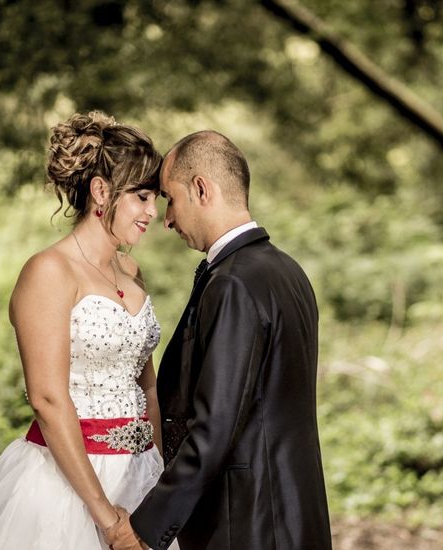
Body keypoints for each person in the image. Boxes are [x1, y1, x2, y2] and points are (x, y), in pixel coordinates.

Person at [0, 111, 170, 549]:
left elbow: (146, 383)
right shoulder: (48, 271)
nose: (152, 211)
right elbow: (48, 399)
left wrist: (159, 471)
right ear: (101, 191)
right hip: (69, 483)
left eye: (156, 198)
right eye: (142, 196)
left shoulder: (130, 269)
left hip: (141, 471)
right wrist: (107, 519)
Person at [106, 131, 333, 550]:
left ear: (201, 189)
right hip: (295, 514)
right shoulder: (287, 270)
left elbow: (214, 429)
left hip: (247, 522)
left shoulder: (233, 283)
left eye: (170, 199)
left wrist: (146, 529)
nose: (167, 218)